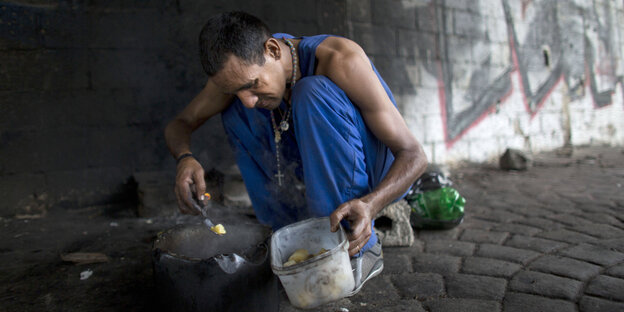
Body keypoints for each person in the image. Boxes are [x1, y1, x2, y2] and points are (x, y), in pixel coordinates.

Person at [164, 11, 427, 293]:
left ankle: (357, 250)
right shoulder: (238, 75)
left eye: (253, 85)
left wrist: (371, 205)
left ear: (273, 50)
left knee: (310, 93)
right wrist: (185, 158)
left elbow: (414, 155)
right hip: (316, 171)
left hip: (375, 177)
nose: (250, 100)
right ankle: (285, 234)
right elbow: (179, 124)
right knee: (236, 113)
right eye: (238, 89)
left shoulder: (340, 59)